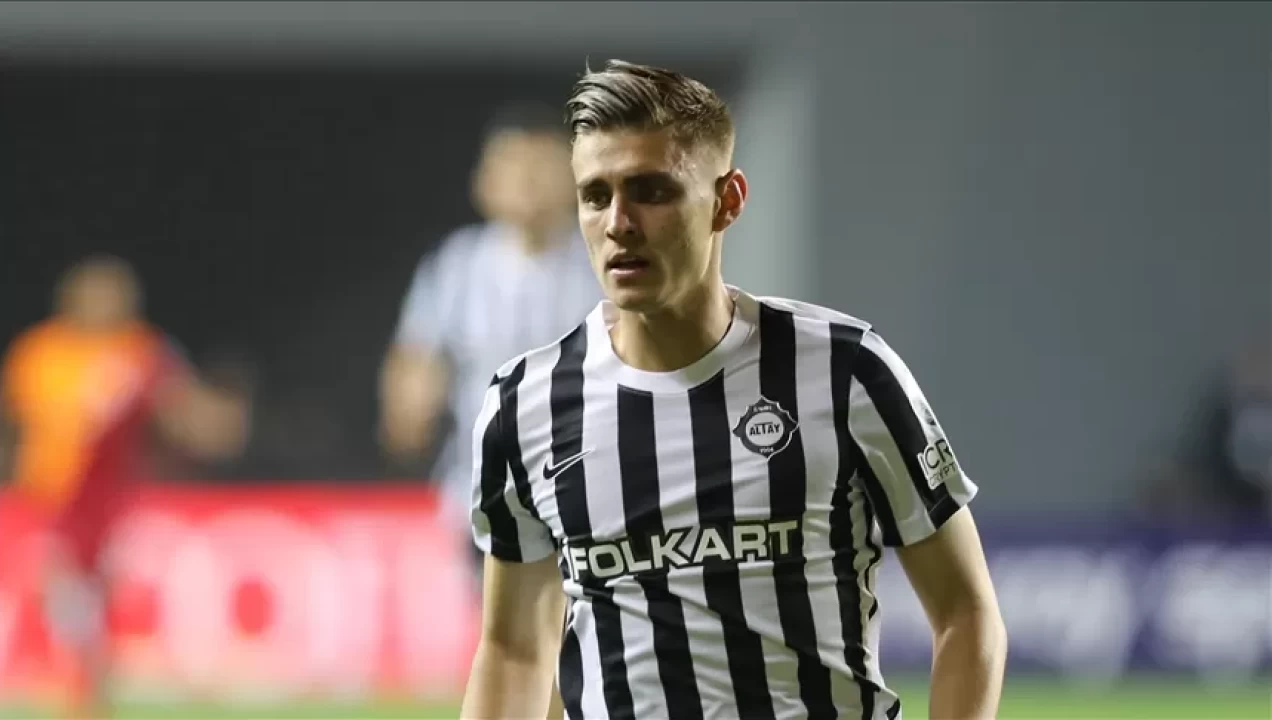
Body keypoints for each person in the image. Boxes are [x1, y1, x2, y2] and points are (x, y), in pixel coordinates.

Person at [461, 61, 1008, 720]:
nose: (619, 222)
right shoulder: (524, 407)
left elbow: (966, 614)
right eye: (596, 196)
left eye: (651, 190)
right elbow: (515, 652)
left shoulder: (845, 370)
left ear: (728, 200)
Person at [0, 255, 250, 720]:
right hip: (52, 495)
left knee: (98, 594)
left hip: (112, 500)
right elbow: (15, 425)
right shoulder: (41, 353)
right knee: (62, 589)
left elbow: (181, 407)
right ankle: (76, 689)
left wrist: (215, 422)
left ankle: (89, 691)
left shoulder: (141, 351)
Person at [379, 104, 603, 548]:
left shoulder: (604, 265)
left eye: (540, 165)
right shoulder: (456, 266)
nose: (527, 181)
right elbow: (412, 368)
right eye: (513, 165)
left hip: (582, 502)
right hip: (479, 498)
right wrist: (409, 407)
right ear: (484, 180)